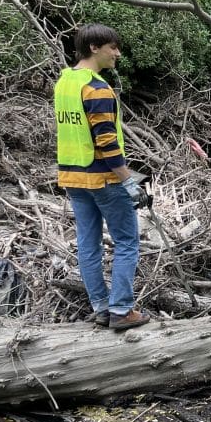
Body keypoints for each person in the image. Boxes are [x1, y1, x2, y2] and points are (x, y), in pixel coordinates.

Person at [54, 23, 152, 331]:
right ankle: (121, 310)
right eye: (113, 47)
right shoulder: (96, 89)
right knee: (127, 242)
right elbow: (107, 142)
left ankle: (101, 308)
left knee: (88, 244)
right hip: (104, 179)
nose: (117, 54)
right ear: (94, 48)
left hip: (73, 177)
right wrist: (128, 181)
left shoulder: (64, 83)